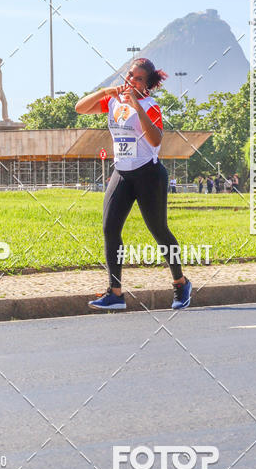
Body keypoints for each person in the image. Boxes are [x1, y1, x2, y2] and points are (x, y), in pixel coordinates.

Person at [74, 57, 192, 312]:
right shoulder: (113, 101)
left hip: (148, 174)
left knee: (159, 231)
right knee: (109, 228)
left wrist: (137, 107)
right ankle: (115, 293)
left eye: (138, 78)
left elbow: (156, 139)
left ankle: (181, 283)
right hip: (122, 173)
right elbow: (80, 108)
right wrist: (106, 91)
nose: (131, 80)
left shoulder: (150, 105)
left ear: (147, 84)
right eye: (130, 75)